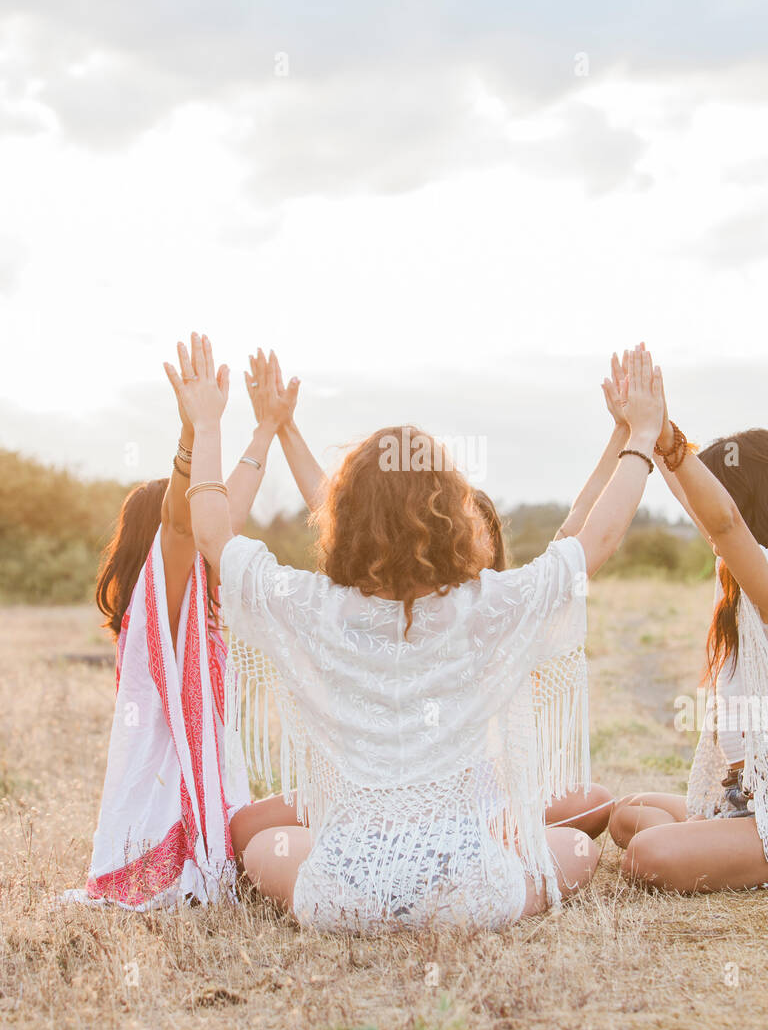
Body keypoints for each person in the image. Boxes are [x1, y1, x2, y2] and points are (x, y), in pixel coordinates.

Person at [170, 334, 665, 932]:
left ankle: (378, 906)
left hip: (342, 894)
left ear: (339, 516)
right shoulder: (484, 608)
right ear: (454, 513)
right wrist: (638, 438)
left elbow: (212, 538)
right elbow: (592, 544)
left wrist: (208, 426)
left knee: (259, 849)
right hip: (467, 890)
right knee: (579, 852)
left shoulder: (316, 609)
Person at [607, 347, 768, 892]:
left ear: (750, 508)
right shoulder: (749, 589)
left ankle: (722, 842)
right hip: (742, 798)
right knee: (625, 813)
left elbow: (721, 523)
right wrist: (646, 431)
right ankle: (713, 835)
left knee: (647, 855)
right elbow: (711, 516)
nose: (709, 526)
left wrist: (672, 443)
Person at [65, 341, 289, 909]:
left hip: (214, 819)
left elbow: (221, 514)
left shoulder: (188, 613)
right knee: (331, 800)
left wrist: (266, 428)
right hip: (171, 841)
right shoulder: (159, 607)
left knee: (336, 796)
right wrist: (195, 432)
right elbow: (187, 524)